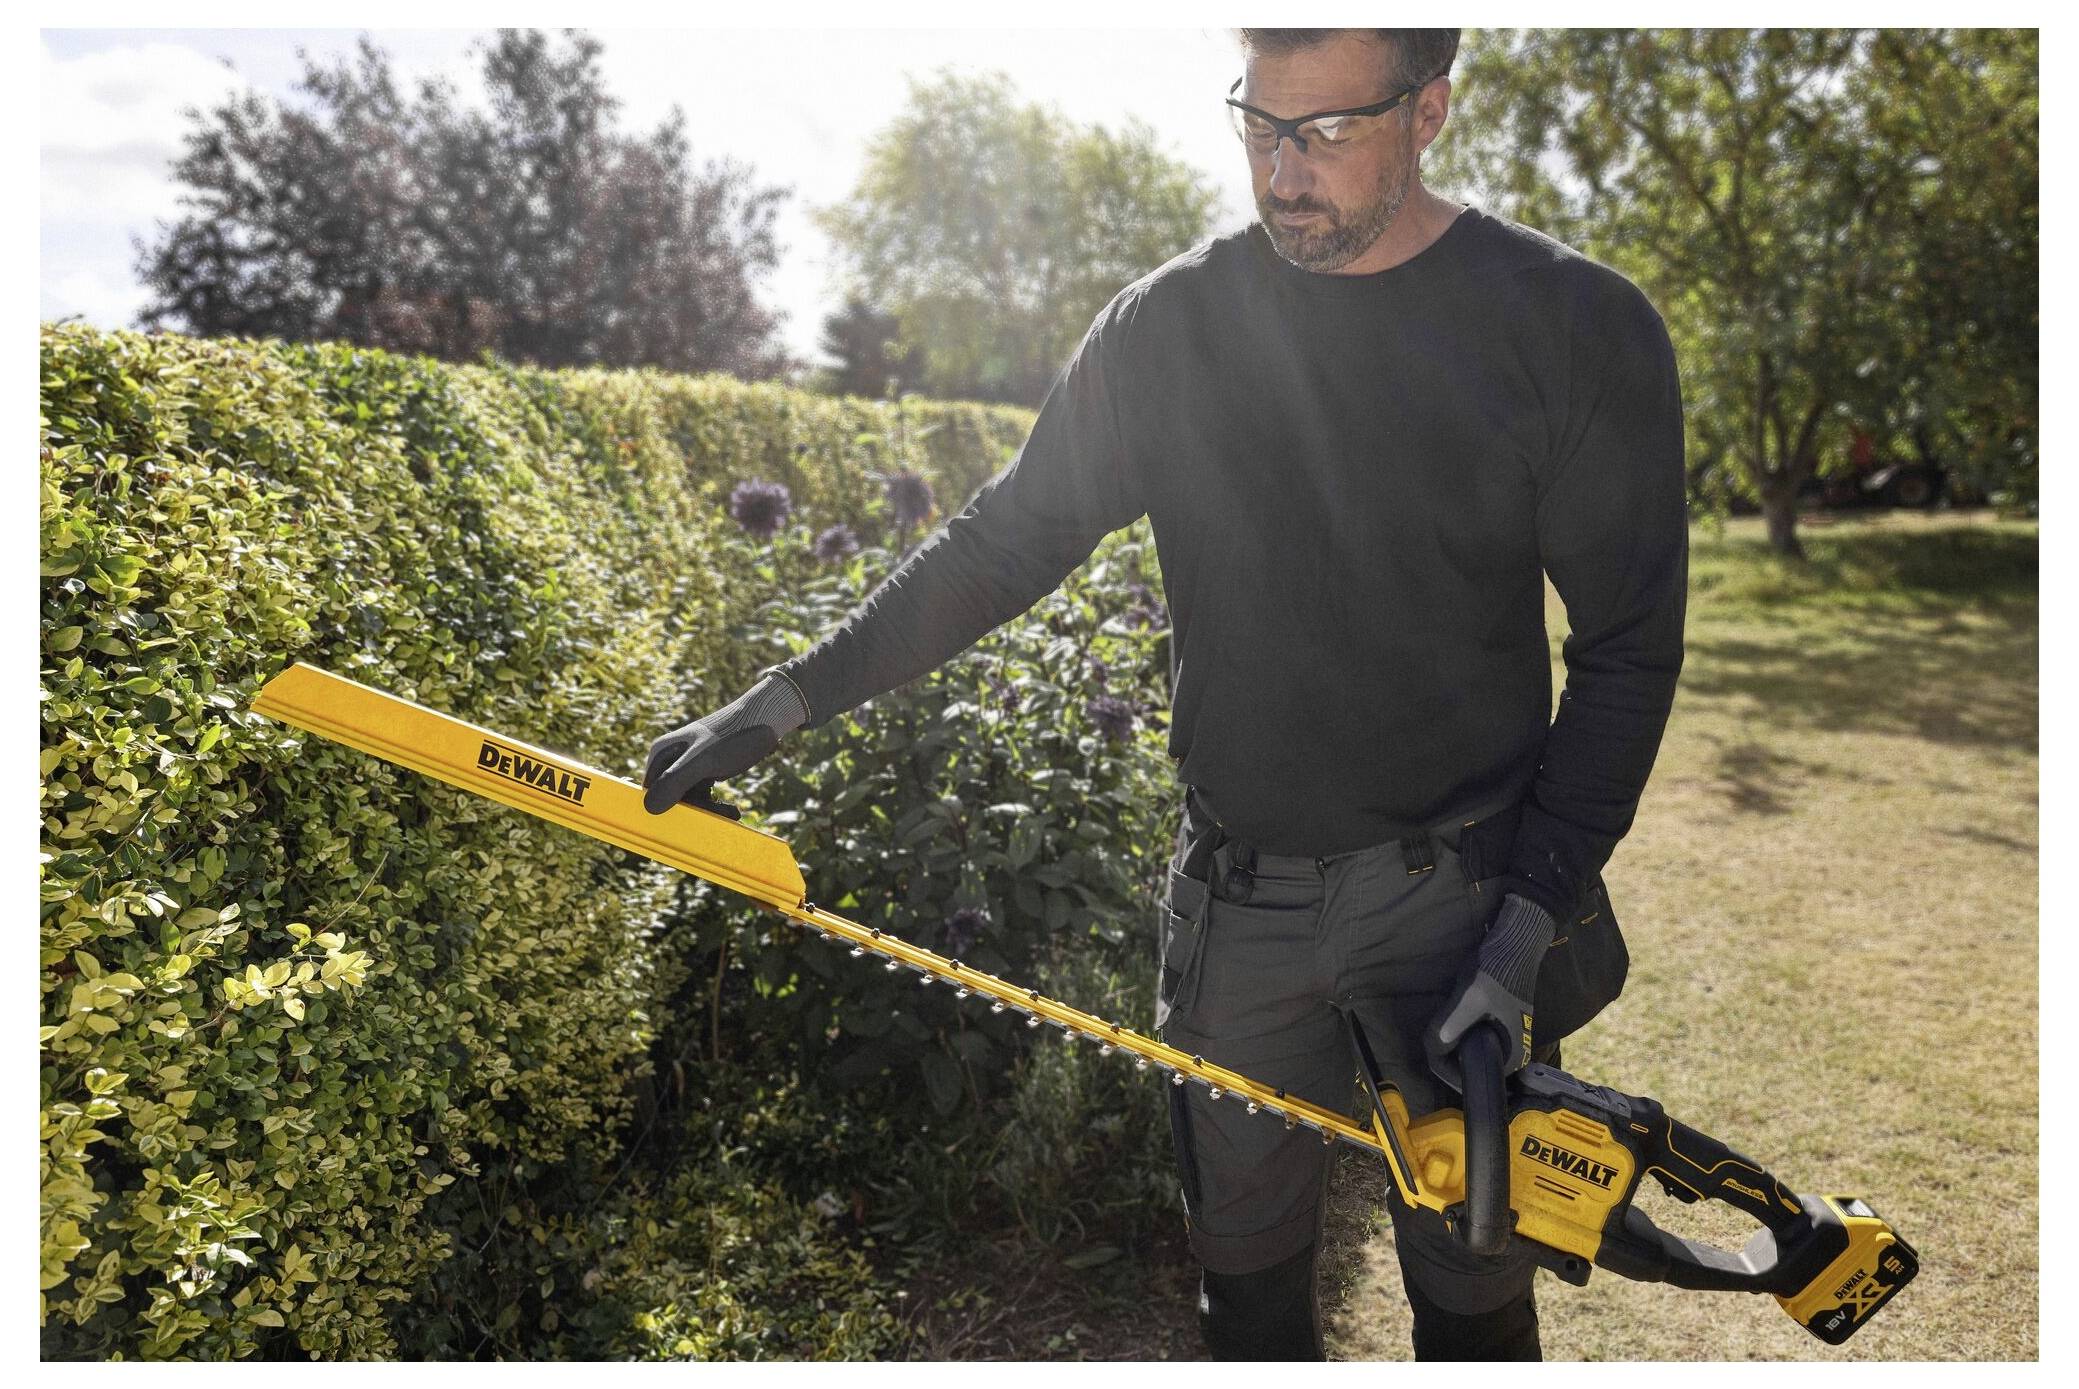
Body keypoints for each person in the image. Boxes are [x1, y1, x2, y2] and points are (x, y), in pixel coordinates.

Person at [642, 27, 1687, 1362]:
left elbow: (1627, 648)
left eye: (1326, 133)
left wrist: (1523, 927)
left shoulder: (1571, 325)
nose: (1282, 172)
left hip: (1458, 901)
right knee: (1243, 1300)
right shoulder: (1171, 327)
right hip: (1233, 906)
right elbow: (1007, 537)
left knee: (1473, 1298)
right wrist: (787, 696)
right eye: (1259, 125)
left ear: (1429, 111)